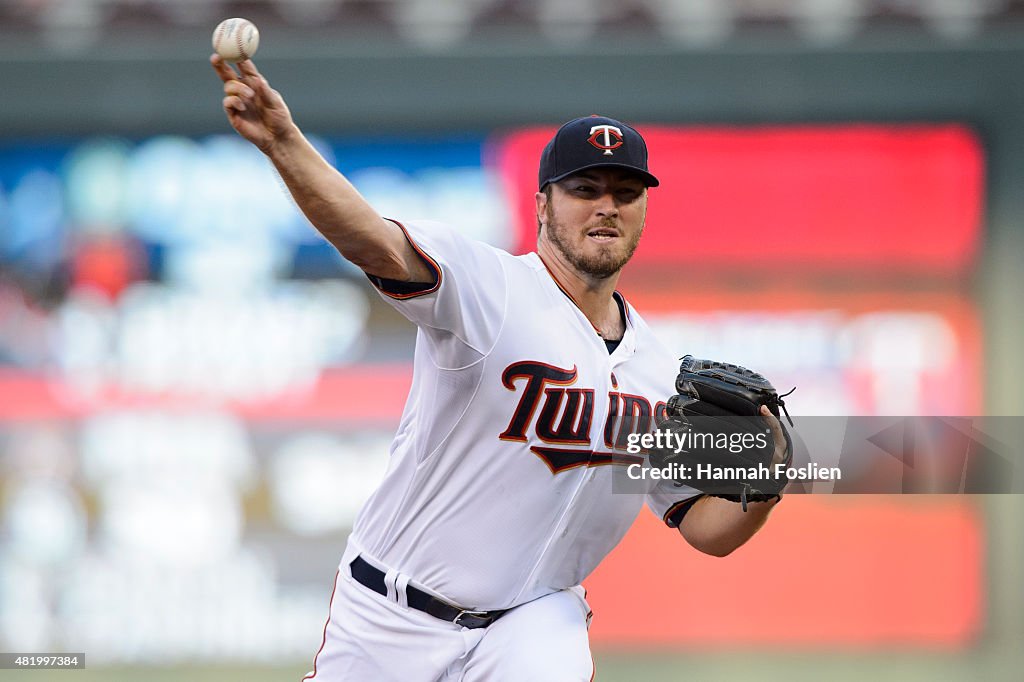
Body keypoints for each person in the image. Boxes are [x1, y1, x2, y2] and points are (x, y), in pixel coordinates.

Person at [211, 54, 789, 682]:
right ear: (543, 205)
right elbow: (369, 240)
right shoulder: (488, 287)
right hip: (392, 612)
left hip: (532, 622)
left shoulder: (660, 373)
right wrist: (285, 146)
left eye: (626, 193)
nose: (607, 207)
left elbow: (707, 529)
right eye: (585, 189)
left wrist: (765, 484)